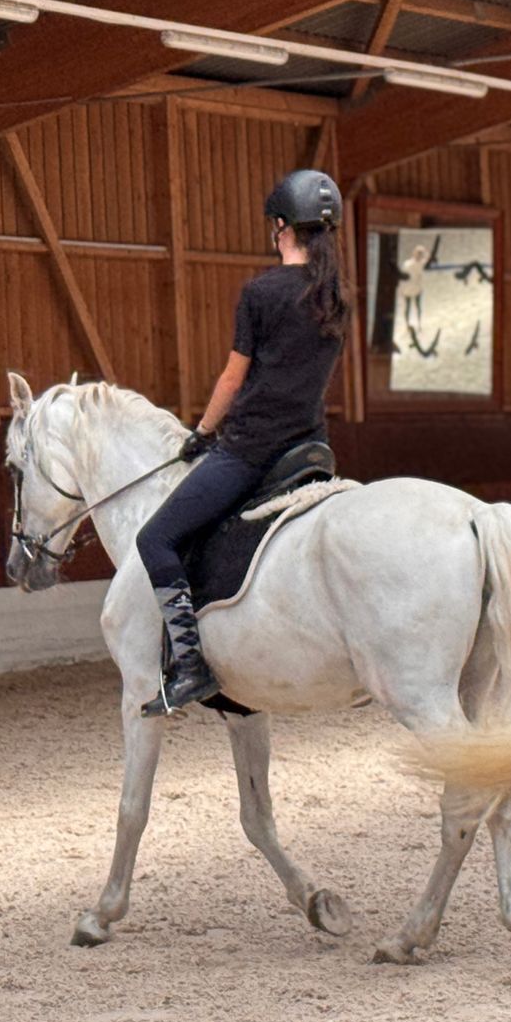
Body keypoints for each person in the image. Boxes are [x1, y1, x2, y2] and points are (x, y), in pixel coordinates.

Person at [135, 169, 352, 717]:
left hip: (251, 450)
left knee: (156, 538)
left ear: (281, 227)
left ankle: (188, 663)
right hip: (310, 450)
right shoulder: (337, 298)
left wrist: (202, 433)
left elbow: (233, 380)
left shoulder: (261, 292)